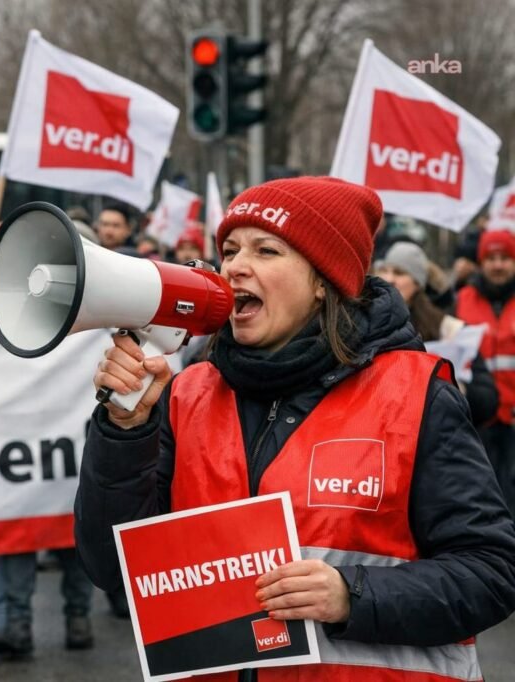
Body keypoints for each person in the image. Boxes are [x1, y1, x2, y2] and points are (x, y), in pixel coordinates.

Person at [77, 177, 515, 680]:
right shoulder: (186, 394)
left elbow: (491, 574)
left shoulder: (416, 397)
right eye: (229, 249)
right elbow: (112, 567)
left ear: (322, 280)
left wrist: (352, 596)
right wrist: (125, 431)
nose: (235, 266)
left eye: (267, 250)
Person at [374, 241, 497, 426]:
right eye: (385, 271)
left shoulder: (447, 330)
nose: (390, 279)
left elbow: (487, 400)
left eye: (399, 273)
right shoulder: (365, 323)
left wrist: (457, 388)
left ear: (417, 283)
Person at [455, 229, 515, 512]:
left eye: (505, 258)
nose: (498, 265)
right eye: (491, 258)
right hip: (479, 426)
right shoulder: (461, 301)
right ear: (480, 262)